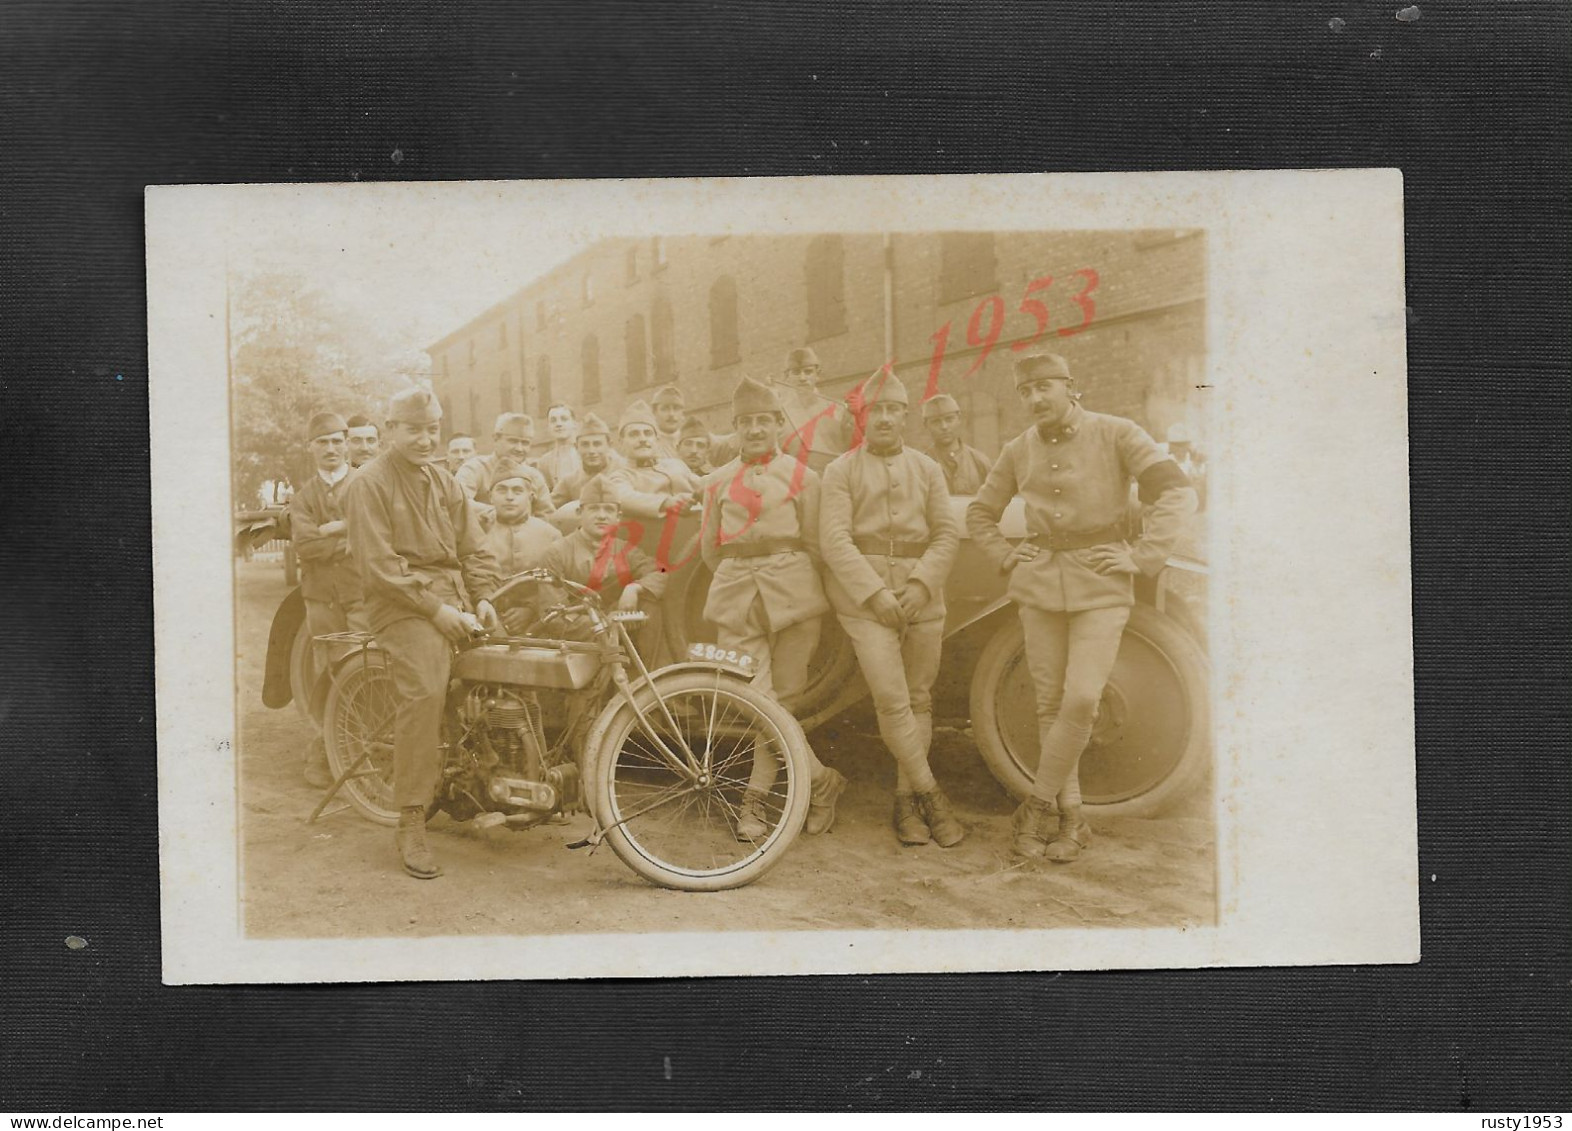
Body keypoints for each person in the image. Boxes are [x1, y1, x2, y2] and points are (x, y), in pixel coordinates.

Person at [966, 354, 1197, 863]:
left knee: (1081, 701)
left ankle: (1036, 805)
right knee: (1049, 705)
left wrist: (1143, 556)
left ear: (1071, 387)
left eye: (1045, 387)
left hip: (1103, 584)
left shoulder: (1117, 433)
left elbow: (1177, 492)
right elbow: (981, 513)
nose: (1035, 399)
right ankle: (1071, 818)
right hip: (1039, 587)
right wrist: (1006, 555)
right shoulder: (1017, 449)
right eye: (1026, 392)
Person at [343, 387, 503, 880]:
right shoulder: (368, 483)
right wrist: (437, 611)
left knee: (512, 663)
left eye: (432, 428)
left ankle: (488, 777)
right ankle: (411, 816)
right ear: (390, 430)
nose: (425, 438)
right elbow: (379, 567)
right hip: (400, 605)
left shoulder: (446, 481)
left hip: (452, 598)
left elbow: (474, 547)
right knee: (427, 686)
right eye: (414, 429)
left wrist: (485, 597)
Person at [819, 373, 963, 846]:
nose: (883, 418)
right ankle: (931, 793)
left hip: (923, 598)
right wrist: (874, 593)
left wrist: (922, 583)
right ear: (861, 418)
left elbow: (946, 533)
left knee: (920, 698)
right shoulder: (841, 470)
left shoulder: (927, 469)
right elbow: (835, 540)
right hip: (865, 603)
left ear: (905, 416)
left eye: (892, 410)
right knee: (891, 697)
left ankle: (905, 802)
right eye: (874, 411)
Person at [699, 376, 846, 839]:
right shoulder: (717, 482)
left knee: (781, 702)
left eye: (764, 421)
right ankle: (821, 780)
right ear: (735, 428)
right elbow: (709, 548)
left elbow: (816, 543)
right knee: (754, 702)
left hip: (795, 598)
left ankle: (753, 801)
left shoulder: (806, 477)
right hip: (736, 598)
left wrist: (789, 575)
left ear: (780, 425)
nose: (755, 429)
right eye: (746, 422)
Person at [288, 411, 368, 788]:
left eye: (338, 441)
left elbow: (376, 532)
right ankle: (323, 751)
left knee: (367, 665)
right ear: (311, 448)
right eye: (323, 442)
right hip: (321, 598)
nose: (332, 449)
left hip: (362, 595)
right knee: (326, 672)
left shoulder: (365, 484)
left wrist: (337, 531)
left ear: (348, 443)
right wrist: (348, 537)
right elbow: (305, 544)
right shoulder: (303, 497)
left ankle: (365, 749)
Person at [537, 474, 669, 651]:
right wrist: (608, 623)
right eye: (594, 509)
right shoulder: (556, 552)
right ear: (579, 513)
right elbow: (553, 615)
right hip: (577, 641)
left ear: (618, 517)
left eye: (608, 510)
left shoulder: (626, 550)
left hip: (620, 637)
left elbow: (660, 571)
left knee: (652, 605)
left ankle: (649, 674)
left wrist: (635, 588)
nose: (601, 516)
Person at [711, 347, 853, 472]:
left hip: (829, 478)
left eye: (808, 372)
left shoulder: (838, 410)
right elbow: (741, 440)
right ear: (786, 376)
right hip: (789, 480)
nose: (803, 378)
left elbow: (851, 449)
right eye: (796, 372)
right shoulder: (778, 411)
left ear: (818, 374)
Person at [482, 469, 564, 633]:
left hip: (538, 621)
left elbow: (558, 586)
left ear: (531, 496)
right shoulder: (477, 531)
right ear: (491, 496)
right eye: (502, 490)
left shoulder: (550, 535)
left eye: (517, 491)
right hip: (485, 617)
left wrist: (530, 609)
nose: (509, 497)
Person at [605, 399, 699, 521]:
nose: (643, 439)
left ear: (657, 439)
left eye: (648, 433)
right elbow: (623, 497)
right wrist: (667, 503)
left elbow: (703, 484)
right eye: (634, 434)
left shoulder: (676, 465)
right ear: (621, 442)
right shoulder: (620, 476)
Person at [455, 412, 555, 523]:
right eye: (513, 441)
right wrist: (502, 514)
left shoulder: (534, 476)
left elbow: (547, 515)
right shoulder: (474, 468)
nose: (519, 448)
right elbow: (459, 501)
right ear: (496, 439)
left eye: (525, 443)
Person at [920, 393, 993, 496]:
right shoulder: (921, 465)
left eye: (949, 419)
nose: (944, 426)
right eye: (936, 422)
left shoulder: (979, 462)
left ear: (959, 419)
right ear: (926, 425)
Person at [549, 411, 620, 508]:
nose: (591, 451)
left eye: (597, 444)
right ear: (576, 447)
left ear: (609, 446)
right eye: (585, 445)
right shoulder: (570, 481)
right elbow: (547, 508)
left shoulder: (623, 472)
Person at [532, 402, 583, 491]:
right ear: (548, 427)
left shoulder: (587, 453)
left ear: (574, 424)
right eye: (553, 420)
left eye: (564, 419)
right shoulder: (544, 462)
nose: (558, 424)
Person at [650, 384, 687, 462]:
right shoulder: (650, 443)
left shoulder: (692, 440)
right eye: (665, 409)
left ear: (682, 413)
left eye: (676, 408)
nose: (671, 414)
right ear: (654, 413)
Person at [676, 415, 714, 479]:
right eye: (688, 444)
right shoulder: (667, 476)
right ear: (678, 449)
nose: (694, 451)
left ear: (708, 452)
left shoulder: (717, 476)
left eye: (700, 446)